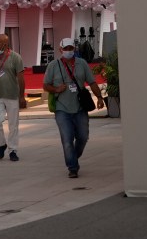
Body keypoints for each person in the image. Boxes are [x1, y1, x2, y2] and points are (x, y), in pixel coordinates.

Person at [43, 37, 104, 178]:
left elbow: (92, 82)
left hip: (80, 107)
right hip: (62, 108)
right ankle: (73, 167)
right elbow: (46, 85)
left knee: (83, 137)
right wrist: (56, 89)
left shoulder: (81, 63)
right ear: (60, 50)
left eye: (71, 48)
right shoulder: (53, 65)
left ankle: (73, 157)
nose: (68, 51)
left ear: (74, 49)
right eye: (66, 49)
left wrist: (100, 98)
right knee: (67, 139)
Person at [0, 33, 26, 161]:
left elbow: (21, 78)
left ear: (5, 44)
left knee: (13, 125)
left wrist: (21, 96)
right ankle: (2, 144)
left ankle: (13, 150)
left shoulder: (15, 57)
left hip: (12, 95)